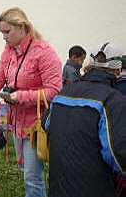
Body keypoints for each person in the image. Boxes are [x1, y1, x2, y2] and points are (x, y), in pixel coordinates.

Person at [0, 7, 62, 197]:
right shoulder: (9, 50)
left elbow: (54, 91)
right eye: (1, 32)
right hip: (16, 123)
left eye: (7, 32)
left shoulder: (44, 53)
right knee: (25, 172)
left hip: (36, 125)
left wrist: (21, 96)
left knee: (32, 178)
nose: (3, 37)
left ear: (22, 27)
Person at [44, 50, 126, 197]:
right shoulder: (112, 99)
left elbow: (46, 124)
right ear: (117, 70)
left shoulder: (63, 93)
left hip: (58, 187)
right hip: (94, 189)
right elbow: (118, 156)